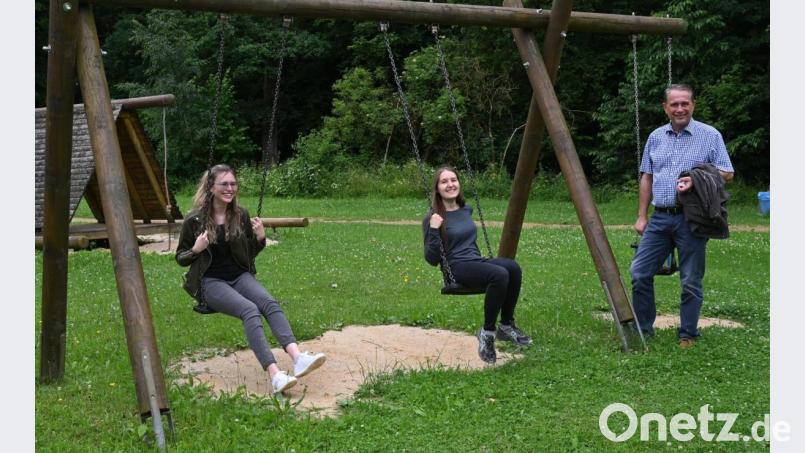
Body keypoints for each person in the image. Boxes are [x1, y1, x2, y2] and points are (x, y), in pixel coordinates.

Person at [176, 164, 326, 394]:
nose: (229, 188)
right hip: (211, 283)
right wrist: (196, 249)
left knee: (269, 303)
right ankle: (275, 375)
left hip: (239, 276)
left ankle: (298, 358)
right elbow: (181, 258)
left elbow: (247, 255)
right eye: (224, 184)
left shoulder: (240, 215)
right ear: (211, 187)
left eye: (233, 184)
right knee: (249, 310)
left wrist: (260, 238)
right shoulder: (194, 220)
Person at [631, 84, 734, 348]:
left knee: (690, 278)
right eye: (674, 104)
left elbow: (727, 172)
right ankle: (644, 329)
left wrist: (697, 176)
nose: (680, 108)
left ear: (693, 105)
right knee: (640, 272)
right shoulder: (656, 137)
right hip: (660, 216)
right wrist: (642, 216)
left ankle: (688, 333)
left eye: (684, 103)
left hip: (693, 218)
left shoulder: (709, 135)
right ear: (665, 108)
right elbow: (647, 176)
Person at [422, 166, 532, 364]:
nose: (450, 184)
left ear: (459, 184)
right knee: (499, 275)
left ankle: (506, 326)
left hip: (475, 260)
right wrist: (433, 229)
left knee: (512, 268)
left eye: (453, 180)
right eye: (444, 181)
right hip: (456, 267)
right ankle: (487, 333)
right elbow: (431, 259)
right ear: (437, 189)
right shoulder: (433, 218)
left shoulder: (466, 210)